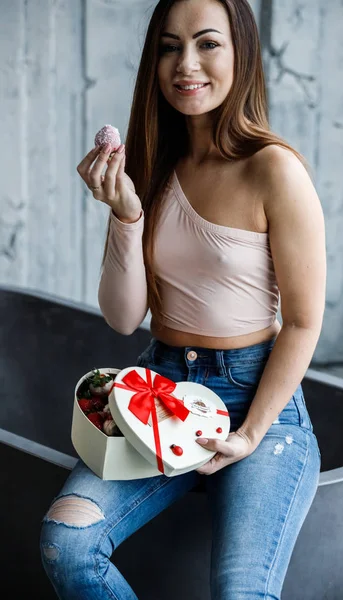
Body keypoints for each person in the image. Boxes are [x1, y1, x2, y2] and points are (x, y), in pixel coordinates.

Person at [40, 0, 326, 598]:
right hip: (159, 388)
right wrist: (125, 217)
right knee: (67, 543)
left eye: (207, 43)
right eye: (170, 46)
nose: (186, 63)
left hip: (258, 401)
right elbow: (123, 319)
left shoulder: (274, 169)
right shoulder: (150, 162)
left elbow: (301, 322)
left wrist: (249, 434)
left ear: (240, 52)